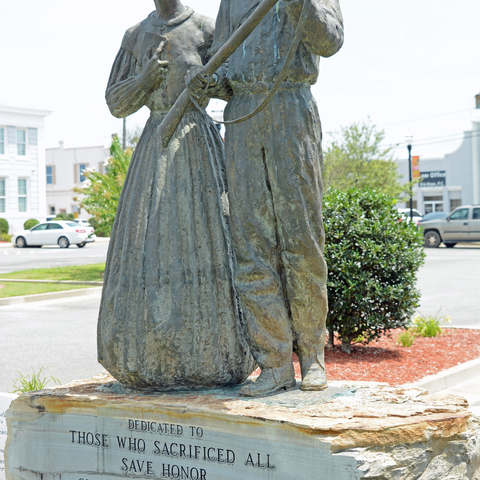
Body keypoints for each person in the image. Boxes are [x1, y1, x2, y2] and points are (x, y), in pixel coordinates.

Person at [187, 0, 344, 397]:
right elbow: (223, 63)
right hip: (243, 116)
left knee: (302, 242)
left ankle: (312, 357)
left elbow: (330, 40)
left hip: (291, 107)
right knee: (251, 246)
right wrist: (214, 84)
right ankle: (273, 364)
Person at [97, 0, 255, 390]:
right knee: (149, 244)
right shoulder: (135, 36)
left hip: (196, 144)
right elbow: (116, 102)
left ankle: (211, 352)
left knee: (205, 241)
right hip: (154, 144)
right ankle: (149, 354)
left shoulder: (205, 28)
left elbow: (236, 82)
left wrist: (211, 84)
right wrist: (144, 80)